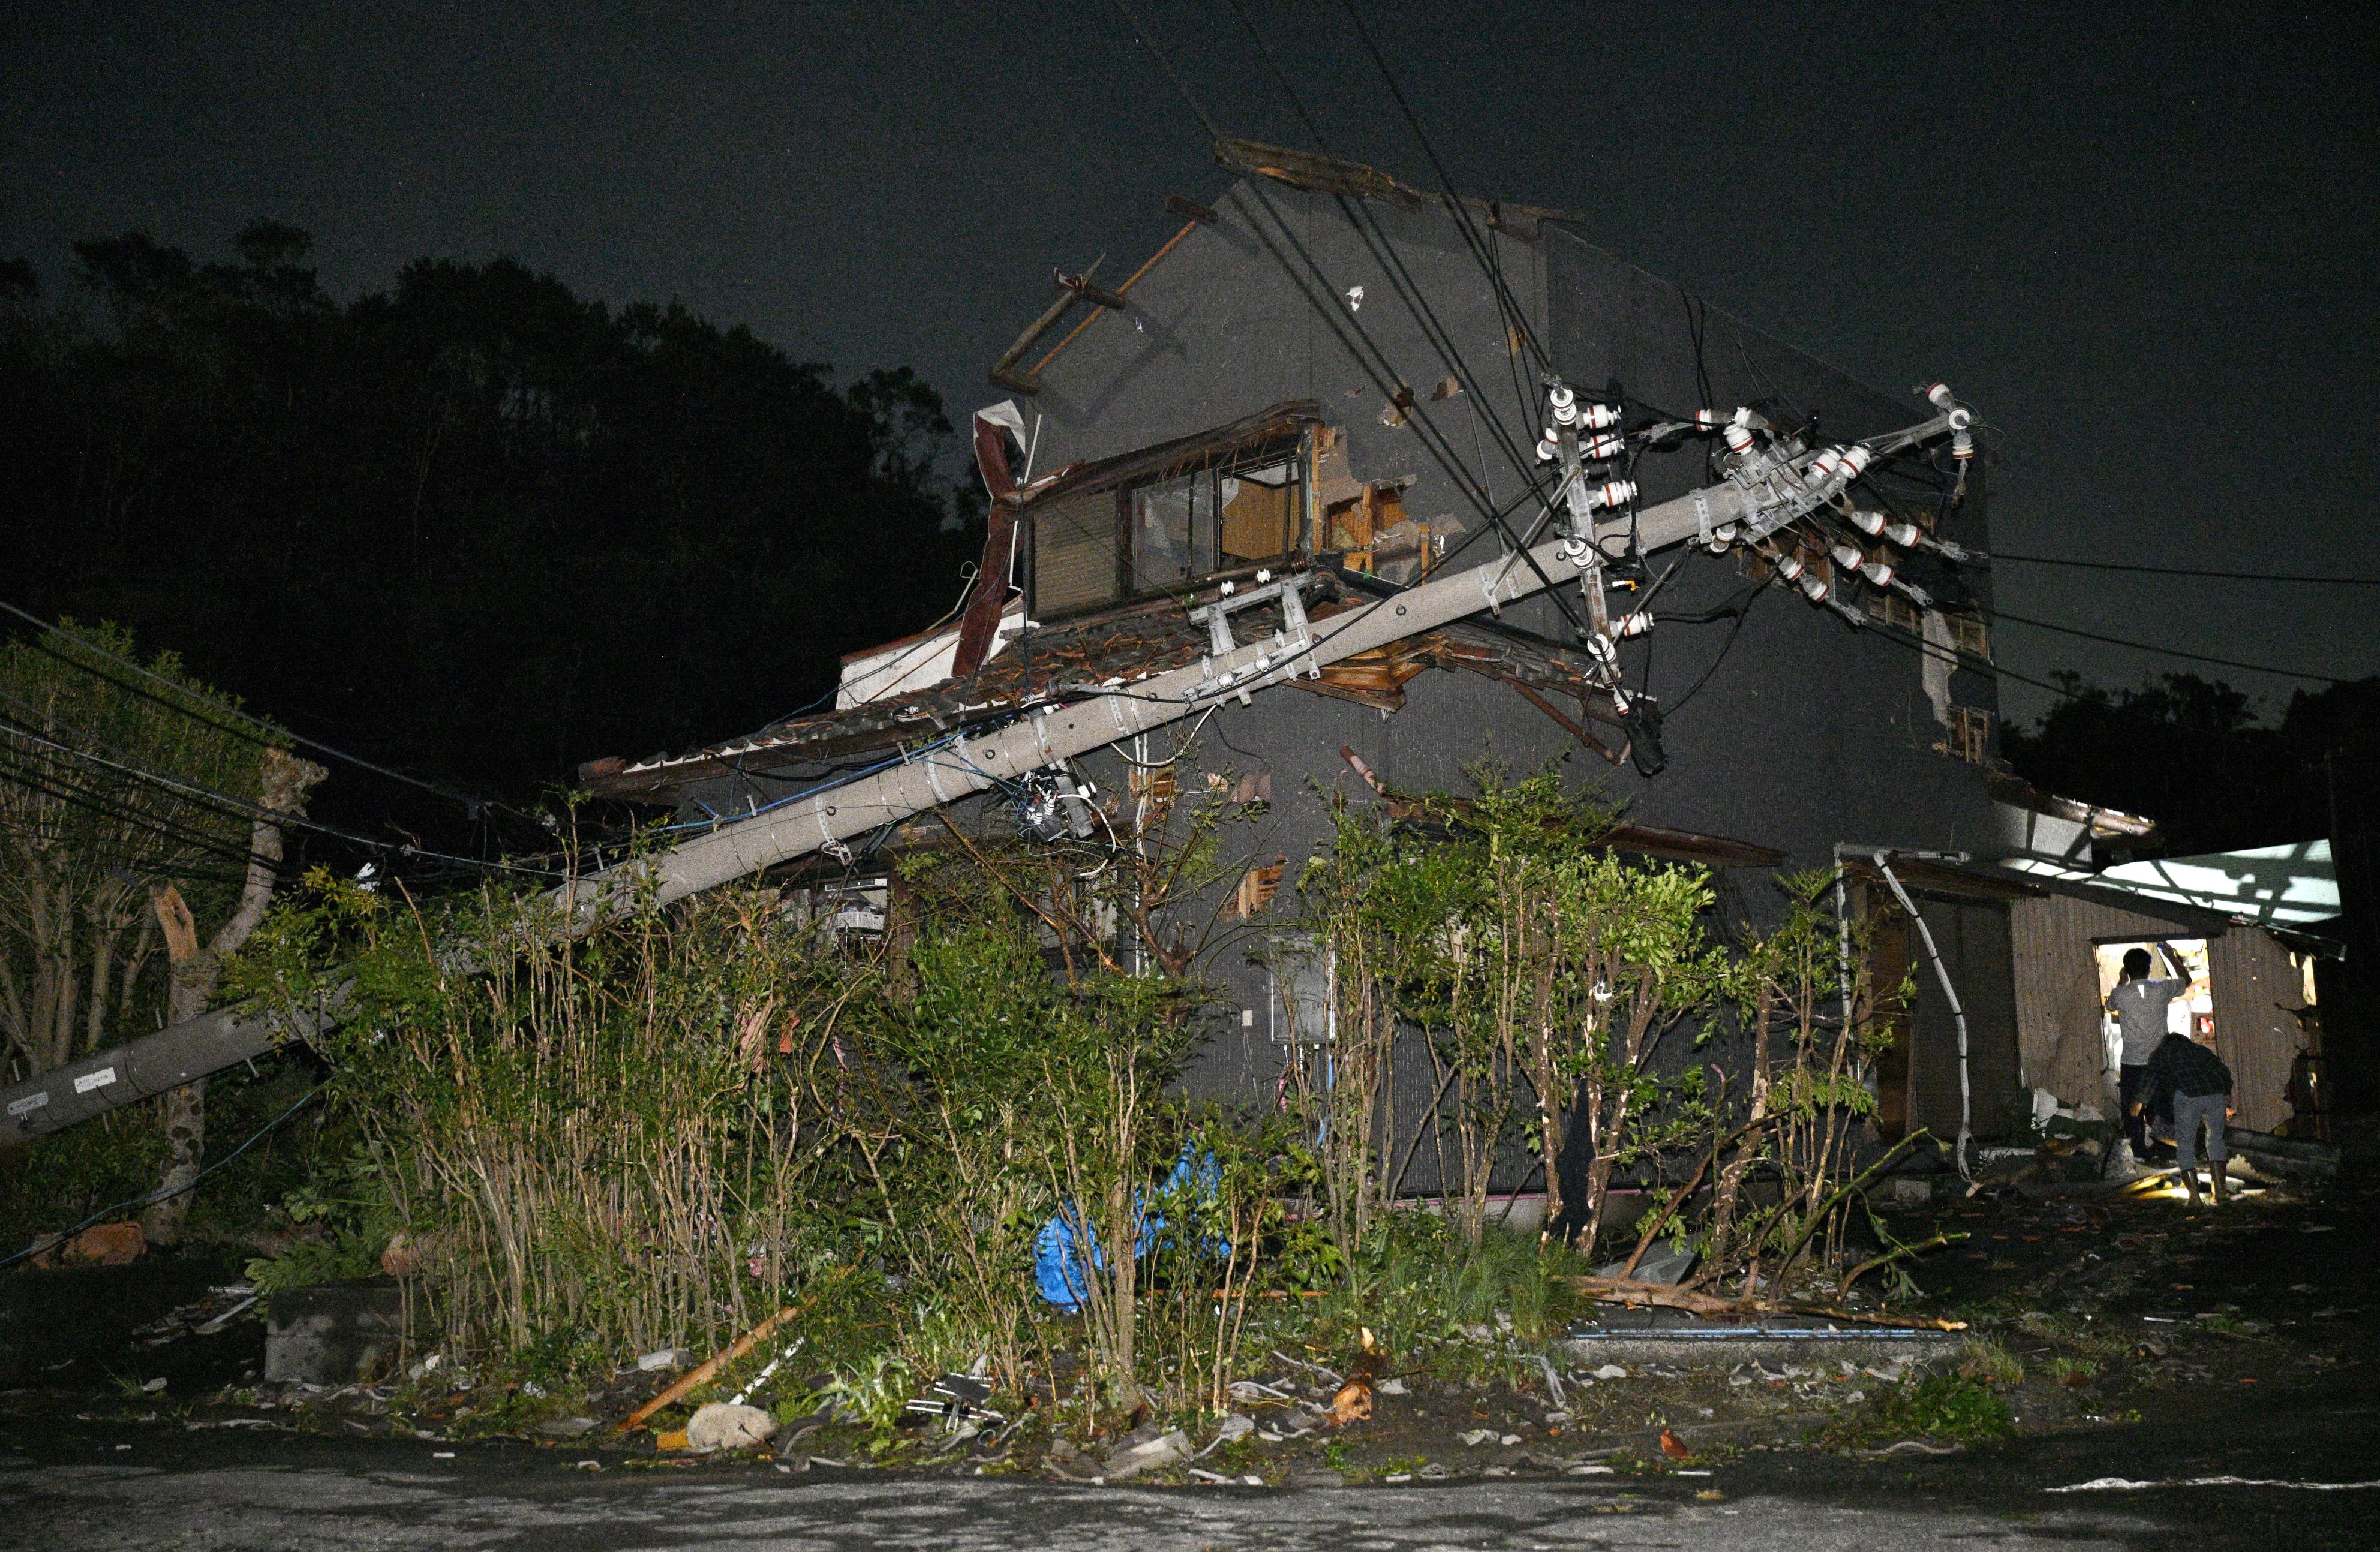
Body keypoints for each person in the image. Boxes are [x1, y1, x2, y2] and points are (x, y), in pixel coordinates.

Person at [2107, 946, 2189, 1163]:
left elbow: (2109, 1005)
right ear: (2149, 969)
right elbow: (2186, 980)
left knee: (2132, 1109)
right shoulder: (2161, 989)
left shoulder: (2120, 993)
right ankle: (2164, 1150)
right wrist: (2172, 955)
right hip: (2159, 1062)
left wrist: (2121, 981)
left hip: (2131, 1062)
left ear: (2126, 970)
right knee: (2160, 1108)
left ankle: (2138, 1152)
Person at [2138, 1028, 2235, 1205]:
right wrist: (2226, 1093)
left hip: (2187, 1096)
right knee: (2215, 1143)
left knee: (2185, 1147)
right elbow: (2223, 1070)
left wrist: (2139, 1101)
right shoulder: (2201, 1050)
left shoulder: (2162, 1053)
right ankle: (2220, 1194)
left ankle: (2195, 1199)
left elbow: (2150, 1077)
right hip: (2215, 1095)